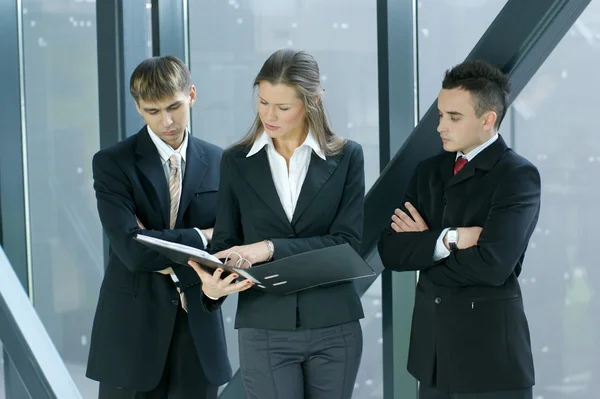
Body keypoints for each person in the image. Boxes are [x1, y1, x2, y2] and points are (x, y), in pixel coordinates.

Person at [189, 48, 365, 399]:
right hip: (264, 327)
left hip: (334, 326)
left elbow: (346, 245)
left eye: (283, 107)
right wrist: (212, 289)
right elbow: (227, 244)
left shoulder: (347, 156)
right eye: (263, 101)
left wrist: (267, 249)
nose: (270, 115)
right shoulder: (236, 161)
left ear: (312, 101)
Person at [86, 55, 251, 399]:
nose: (167, 121)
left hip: (198, 330)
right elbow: (131, 250)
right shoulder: (113, 164)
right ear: (138, 108)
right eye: (153, 111)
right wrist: (201, 236)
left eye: (174, 106)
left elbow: (230, 243)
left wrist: (155, 240)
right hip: (131, 334)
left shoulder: (222, 163)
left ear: (191, 94)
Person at [378, 60, 540, 399]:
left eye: (454, 117)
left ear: (487, 119)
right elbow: (391, 250)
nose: (440, 126)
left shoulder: (516, 176)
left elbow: (493, 266)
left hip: (490, 359)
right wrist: (452, 238)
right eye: (440, 115)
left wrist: (425, 248)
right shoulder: (428, 172)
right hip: (432, 356)